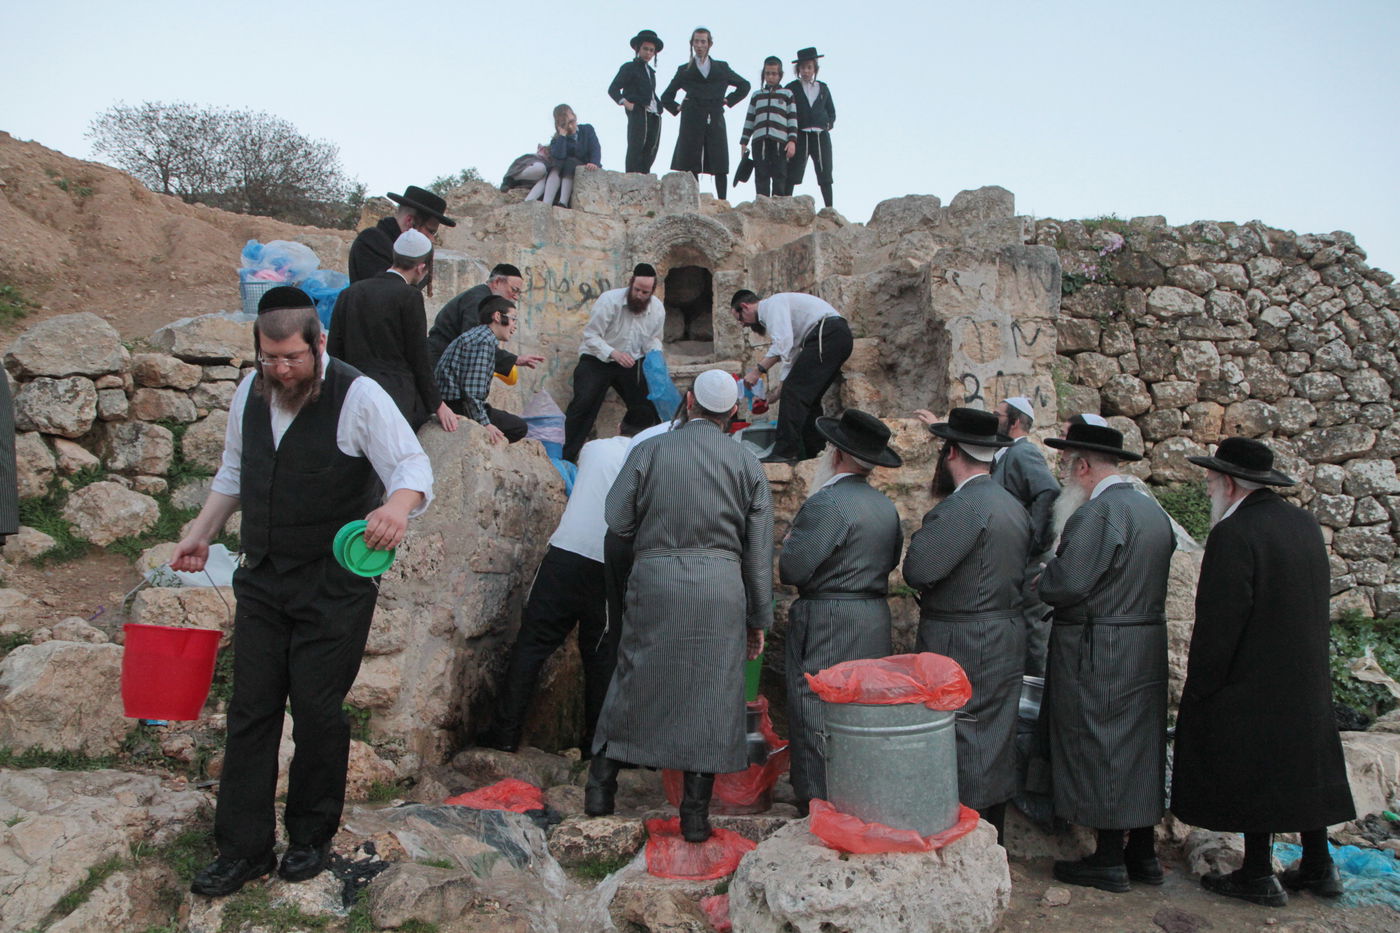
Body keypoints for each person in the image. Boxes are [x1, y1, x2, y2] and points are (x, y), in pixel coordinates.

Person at [173, 286, 432, 897]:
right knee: (251, 709)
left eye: (292, 357)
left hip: (333, 584)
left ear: (319, 343)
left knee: (316, 710)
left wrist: (396, 507)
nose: (281, 369)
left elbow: (412, 466)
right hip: (263, 576)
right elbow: (234, 472)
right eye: (270, 358)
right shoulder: (250, 390)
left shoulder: (358, 395)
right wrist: (199, 533)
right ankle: (243, 849)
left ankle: (311, 836)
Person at [586, 370, 773, 843]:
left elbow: (616, 519)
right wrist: (758, 618)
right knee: (712, 693)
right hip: (720, 590)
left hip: (655, 582)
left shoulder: (649, 450)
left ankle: (600, 793)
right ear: (734, 412)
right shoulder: (748, 463)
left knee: (633, 678)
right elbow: (757, 553)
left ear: (689, 402)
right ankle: (694, 817)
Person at [1172, 438, 1355, 907]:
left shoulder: (1235, 533)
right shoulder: (1303, 523)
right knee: (1301, 766)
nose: (1208, 488)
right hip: (1304, 672)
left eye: (1211, 479)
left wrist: (1203, 685)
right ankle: (1319, 864)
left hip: (1253, 676)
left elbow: (1220, 621)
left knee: (1258, 768)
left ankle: (1256, 873)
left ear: (1229, 483)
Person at [1037, 421, 1175, 893]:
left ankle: (1109, 858)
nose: (1065, 475)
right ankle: (1143, 854)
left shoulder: (1099, 513)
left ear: (1082, 466)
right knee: (1139, 747)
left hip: (1102, 647)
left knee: (1101, 743)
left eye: (1066, 465)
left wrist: (1045, 579)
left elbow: (1069, 583)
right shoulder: (1151, 509)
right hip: (1145, 644)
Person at [479, 408, 656, 755]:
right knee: (601, 658)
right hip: (608, 567)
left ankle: (504, 734)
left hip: (565, 555)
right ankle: (596, 748)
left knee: (531, 645)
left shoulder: (594, 448)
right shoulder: (653, 464)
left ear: (619, 425)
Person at [904, 408, 1029, 843]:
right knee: (994, 736)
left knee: (961, 735)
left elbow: (919, 570)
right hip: (1005, 633)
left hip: (964, 638)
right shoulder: (1012, 505)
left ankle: (967, 841)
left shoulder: (963, 508)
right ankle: (994, 836)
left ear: (951, 452)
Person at [780, 409, 903, 816]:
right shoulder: (885, 507)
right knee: (863, 710)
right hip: (873, 617)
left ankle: (819, 803)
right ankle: (861, 800)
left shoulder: (827, 504)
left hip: (828, 619)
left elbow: (793, 569)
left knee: (817, 707)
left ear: (836, 454)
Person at [327, 229, 456, 433]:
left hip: (353, 391)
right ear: (421, 267)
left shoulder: (350, 293)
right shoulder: (409, 296)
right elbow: (418, 356)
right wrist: (438, 404)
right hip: (395, 396)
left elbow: (334, 351)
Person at [731, 289, 852, 463]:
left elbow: (783, 344)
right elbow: (791, 355)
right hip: (835, 337)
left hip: (827, 334)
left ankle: (784, 452)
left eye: (740, 318)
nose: (743, 324)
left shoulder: (772, 305)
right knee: (809, 399)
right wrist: (778, 393)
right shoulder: (779, 309)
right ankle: (815, 452)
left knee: (794, 393)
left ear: (745, 307)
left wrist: (757, 371)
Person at [561, 263, 665, 462]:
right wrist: (613, 353)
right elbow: (591, 336)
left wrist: (656, 356)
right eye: (637, 289)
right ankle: (566, 457)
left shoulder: (658, 309)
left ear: (652, 291)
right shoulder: (609, 300)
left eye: (645, 292)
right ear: (631, 283)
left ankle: (650, 458)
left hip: (631, 362)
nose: (639, 295)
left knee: (647, 408)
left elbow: (653, 339)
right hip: (597, 358)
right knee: (584, 403)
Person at [992, 397, 1059, 676]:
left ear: (1016, 421)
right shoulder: (1008, 452)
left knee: (1033, 634)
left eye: (998, 414)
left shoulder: (1023, 452)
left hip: (1028, 562)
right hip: (1016, 561)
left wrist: (1034, 541)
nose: (994, 418)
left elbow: (1049, 490)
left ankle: (1036, 694)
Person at [660, 27, 750, 200]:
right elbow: (666, 97)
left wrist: (728, 100)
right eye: (696, 41)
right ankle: (693, 200)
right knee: (690, 159)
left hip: (714, 116)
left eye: (703, 41)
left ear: (709, 44)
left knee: (719, 159)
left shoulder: (721, 68)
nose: (699, 45)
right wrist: (678, 107)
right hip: (692, 118)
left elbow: (744, 85)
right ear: (692, 44)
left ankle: (722, 200)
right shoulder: (684, 70)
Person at [434, 296, 529, 445]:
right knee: (518, 427)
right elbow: (471, 393)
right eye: (513, 319)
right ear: (497, 316)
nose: (514, 326)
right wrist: (485, 424)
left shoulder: (478, 335)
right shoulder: (483, 342)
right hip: (456, 406)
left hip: (454, 402)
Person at [427, 263, 543, 380]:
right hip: (438, 361)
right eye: (514, 290)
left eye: (519, 293)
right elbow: (476, 344)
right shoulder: (478, 300)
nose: (516, 297)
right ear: (497, 282)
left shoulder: (482, 298)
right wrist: (515, 359)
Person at [347, 185, 456, 290]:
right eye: (430, 231)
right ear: (410, 221)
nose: (432, 239)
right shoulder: (371, 242)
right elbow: (387, 293)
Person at [784, 48, 836, 208]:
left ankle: (829, 208)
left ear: (815, 69)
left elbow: (831, 111)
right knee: (793, 170)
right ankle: (786, 204)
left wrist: (827, 124)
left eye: (809, 67)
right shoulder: (791, 88)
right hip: (800, 134)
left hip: (820, 134)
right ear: (798, 69)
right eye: (803, 67)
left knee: (825, 171)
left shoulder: (823, 88)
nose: (806, 71)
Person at [739, 56, 797, 198]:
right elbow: (750, 119)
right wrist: (744, 141)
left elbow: (792, 119)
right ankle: (762, 202)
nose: (770, 77)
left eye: (774, 74)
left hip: (780, 140)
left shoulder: (787, 94)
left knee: (780, 173)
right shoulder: (757, 95)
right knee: (761, 172)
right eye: (767, 73)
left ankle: (778, 203)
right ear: (763, 74)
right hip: (759, 140)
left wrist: (792, 141)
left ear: (780, 75)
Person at [608, 29, 665, 174]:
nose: (648, 53)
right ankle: (632, 176)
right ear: (638, 49)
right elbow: (613, 89)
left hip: (653, 112)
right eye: (645, 49)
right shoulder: (629, 67)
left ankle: (645, 175)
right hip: (638, 110)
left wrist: (659, 106)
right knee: (636, 144)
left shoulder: (651, 72)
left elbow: (650, 92)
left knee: (651, 146)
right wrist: (626, 103)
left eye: (651, 50)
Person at [525, 105, 600, 209]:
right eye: (566, 124)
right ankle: (552, 202)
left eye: (572, 121)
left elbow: (595, 147)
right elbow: (559, 156)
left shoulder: (587, 129)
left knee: (570, 162)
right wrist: (563, 137)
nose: (571, 126)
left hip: (584, 164)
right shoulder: (557, 140)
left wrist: (594, 162)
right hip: (565, 171)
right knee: (558, 164)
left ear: (575, 117)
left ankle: (563, 202)